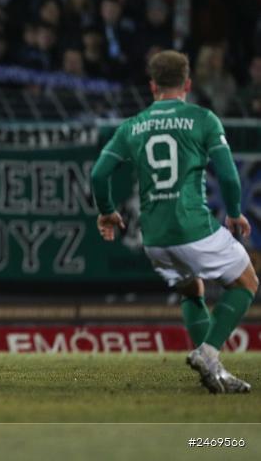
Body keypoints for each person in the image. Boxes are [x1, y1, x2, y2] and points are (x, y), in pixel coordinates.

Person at [90, 50, 257, 394]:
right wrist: (236, 211)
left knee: (191, 290)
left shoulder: (131, 126)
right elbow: (227, 174)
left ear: (152, 86)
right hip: (191, 226)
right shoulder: (203, 119)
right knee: (246, 281)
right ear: (188, 84)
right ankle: (208, 352)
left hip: (154, 239)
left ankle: (213, 371)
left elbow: (98, 174)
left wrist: (107, 210)